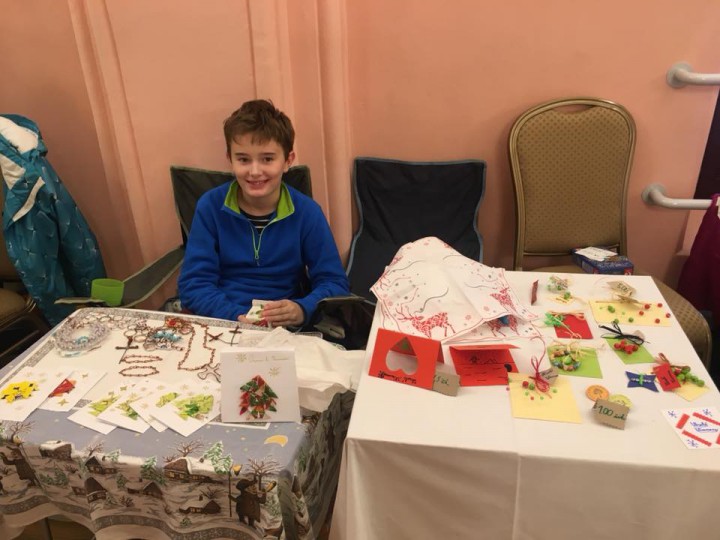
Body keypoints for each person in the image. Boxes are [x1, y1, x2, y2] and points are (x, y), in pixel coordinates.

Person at [178, 100, 349, 327]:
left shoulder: (308, 213)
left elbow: (334, 282)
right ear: (230, 160)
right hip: (222, 319)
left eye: (267, 159)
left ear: (287, 161)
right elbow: (194, 283)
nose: (255, 171)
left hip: (283, 325)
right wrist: (234, 315)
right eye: (243, 159)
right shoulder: (210, 206)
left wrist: (302, 309)